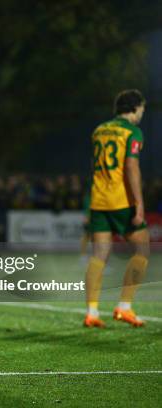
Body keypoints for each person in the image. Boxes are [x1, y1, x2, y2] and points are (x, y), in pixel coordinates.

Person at [83, 89, 149, 328]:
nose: (142, 112)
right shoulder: (132, 132)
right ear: (134, 108)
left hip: (99, 200)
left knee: (99, 256)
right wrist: (139, 204)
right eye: (142, 108)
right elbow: (131, 167)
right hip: (121, 201)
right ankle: (124, 307)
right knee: (142, 251)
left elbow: (94, 165)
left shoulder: (99, 130)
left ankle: (92, 312)